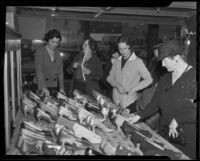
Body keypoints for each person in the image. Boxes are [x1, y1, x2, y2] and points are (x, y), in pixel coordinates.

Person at [129, 39, 197, 159]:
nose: (162, 65)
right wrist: (139, 116)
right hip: (165, 136)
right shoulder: (165, 79)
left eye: (165, 60)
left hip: (186, 140)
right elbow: (155, 103)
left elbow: (195, 109)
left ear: (176, 57)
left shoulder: (194, 77)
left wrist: (177, 120)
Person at [106, 35, 153, 109]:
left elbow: (149, 79)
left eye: (125, 48)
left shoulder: (137, 62)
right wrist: (117, 85)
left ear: (130, 47)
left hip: (129, 101)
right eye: (120, 49)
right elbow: (109, 78)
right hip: (115, 99)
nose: (123, 51)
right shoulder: (117, 61)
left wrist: (134, 89)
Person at [34, 29, 65, 96]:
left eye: (57, 42)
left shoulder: (57, 52)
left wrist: (62, 87)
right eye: (52, 42)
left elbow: (60, 72)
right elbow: (39, 71)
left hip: (53, 85)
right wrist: (43, 87)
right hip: (40, 84)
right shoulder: (40, 51)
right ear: (47, 40)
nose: (55, 44)